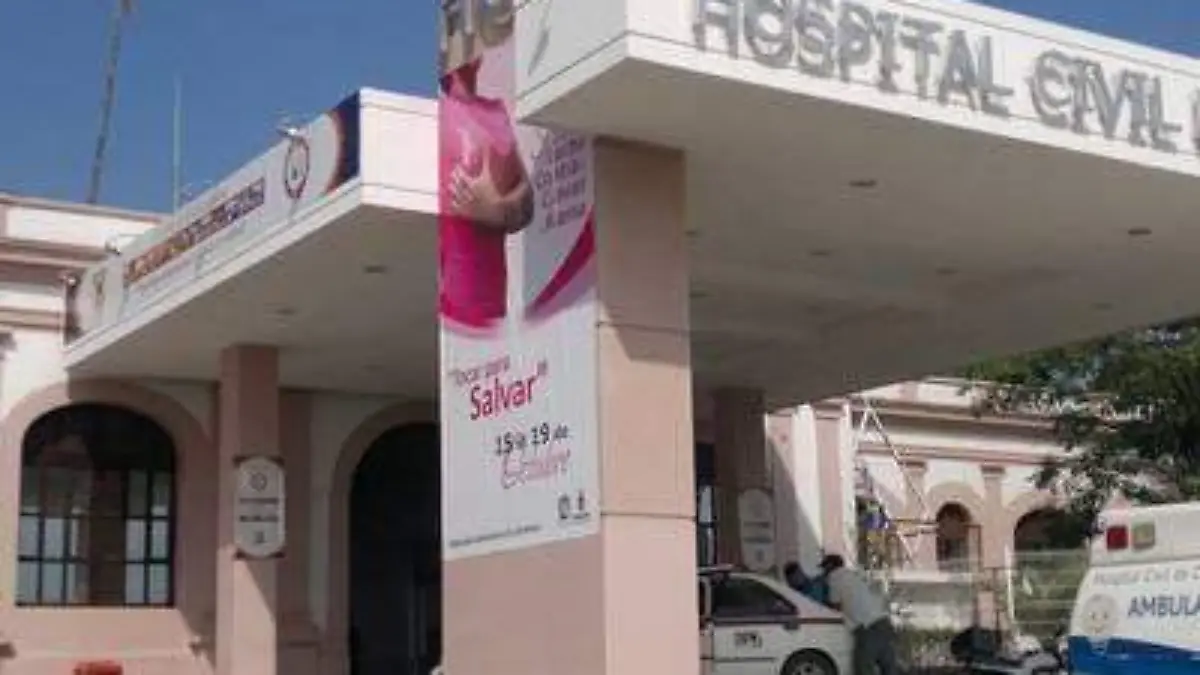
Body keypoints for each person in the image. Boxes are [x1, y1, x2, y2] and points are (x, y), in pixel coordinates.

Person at [438, 19, 535, 330]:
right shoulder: (437, 112)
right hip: (457, 289)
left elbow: (527, 199)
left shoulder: (496, 111)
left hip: (494, 288)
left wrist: (496, 209)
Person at [820, 553, 899, 675]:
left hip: (868, 627)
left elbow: (835, 605)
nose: (823, 572)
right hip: (884, 621)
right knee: (889, 666)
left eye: (824, 568)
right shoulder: (856, 575)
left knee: (863, 666)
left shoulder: (834, 577)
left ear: (829, 566)